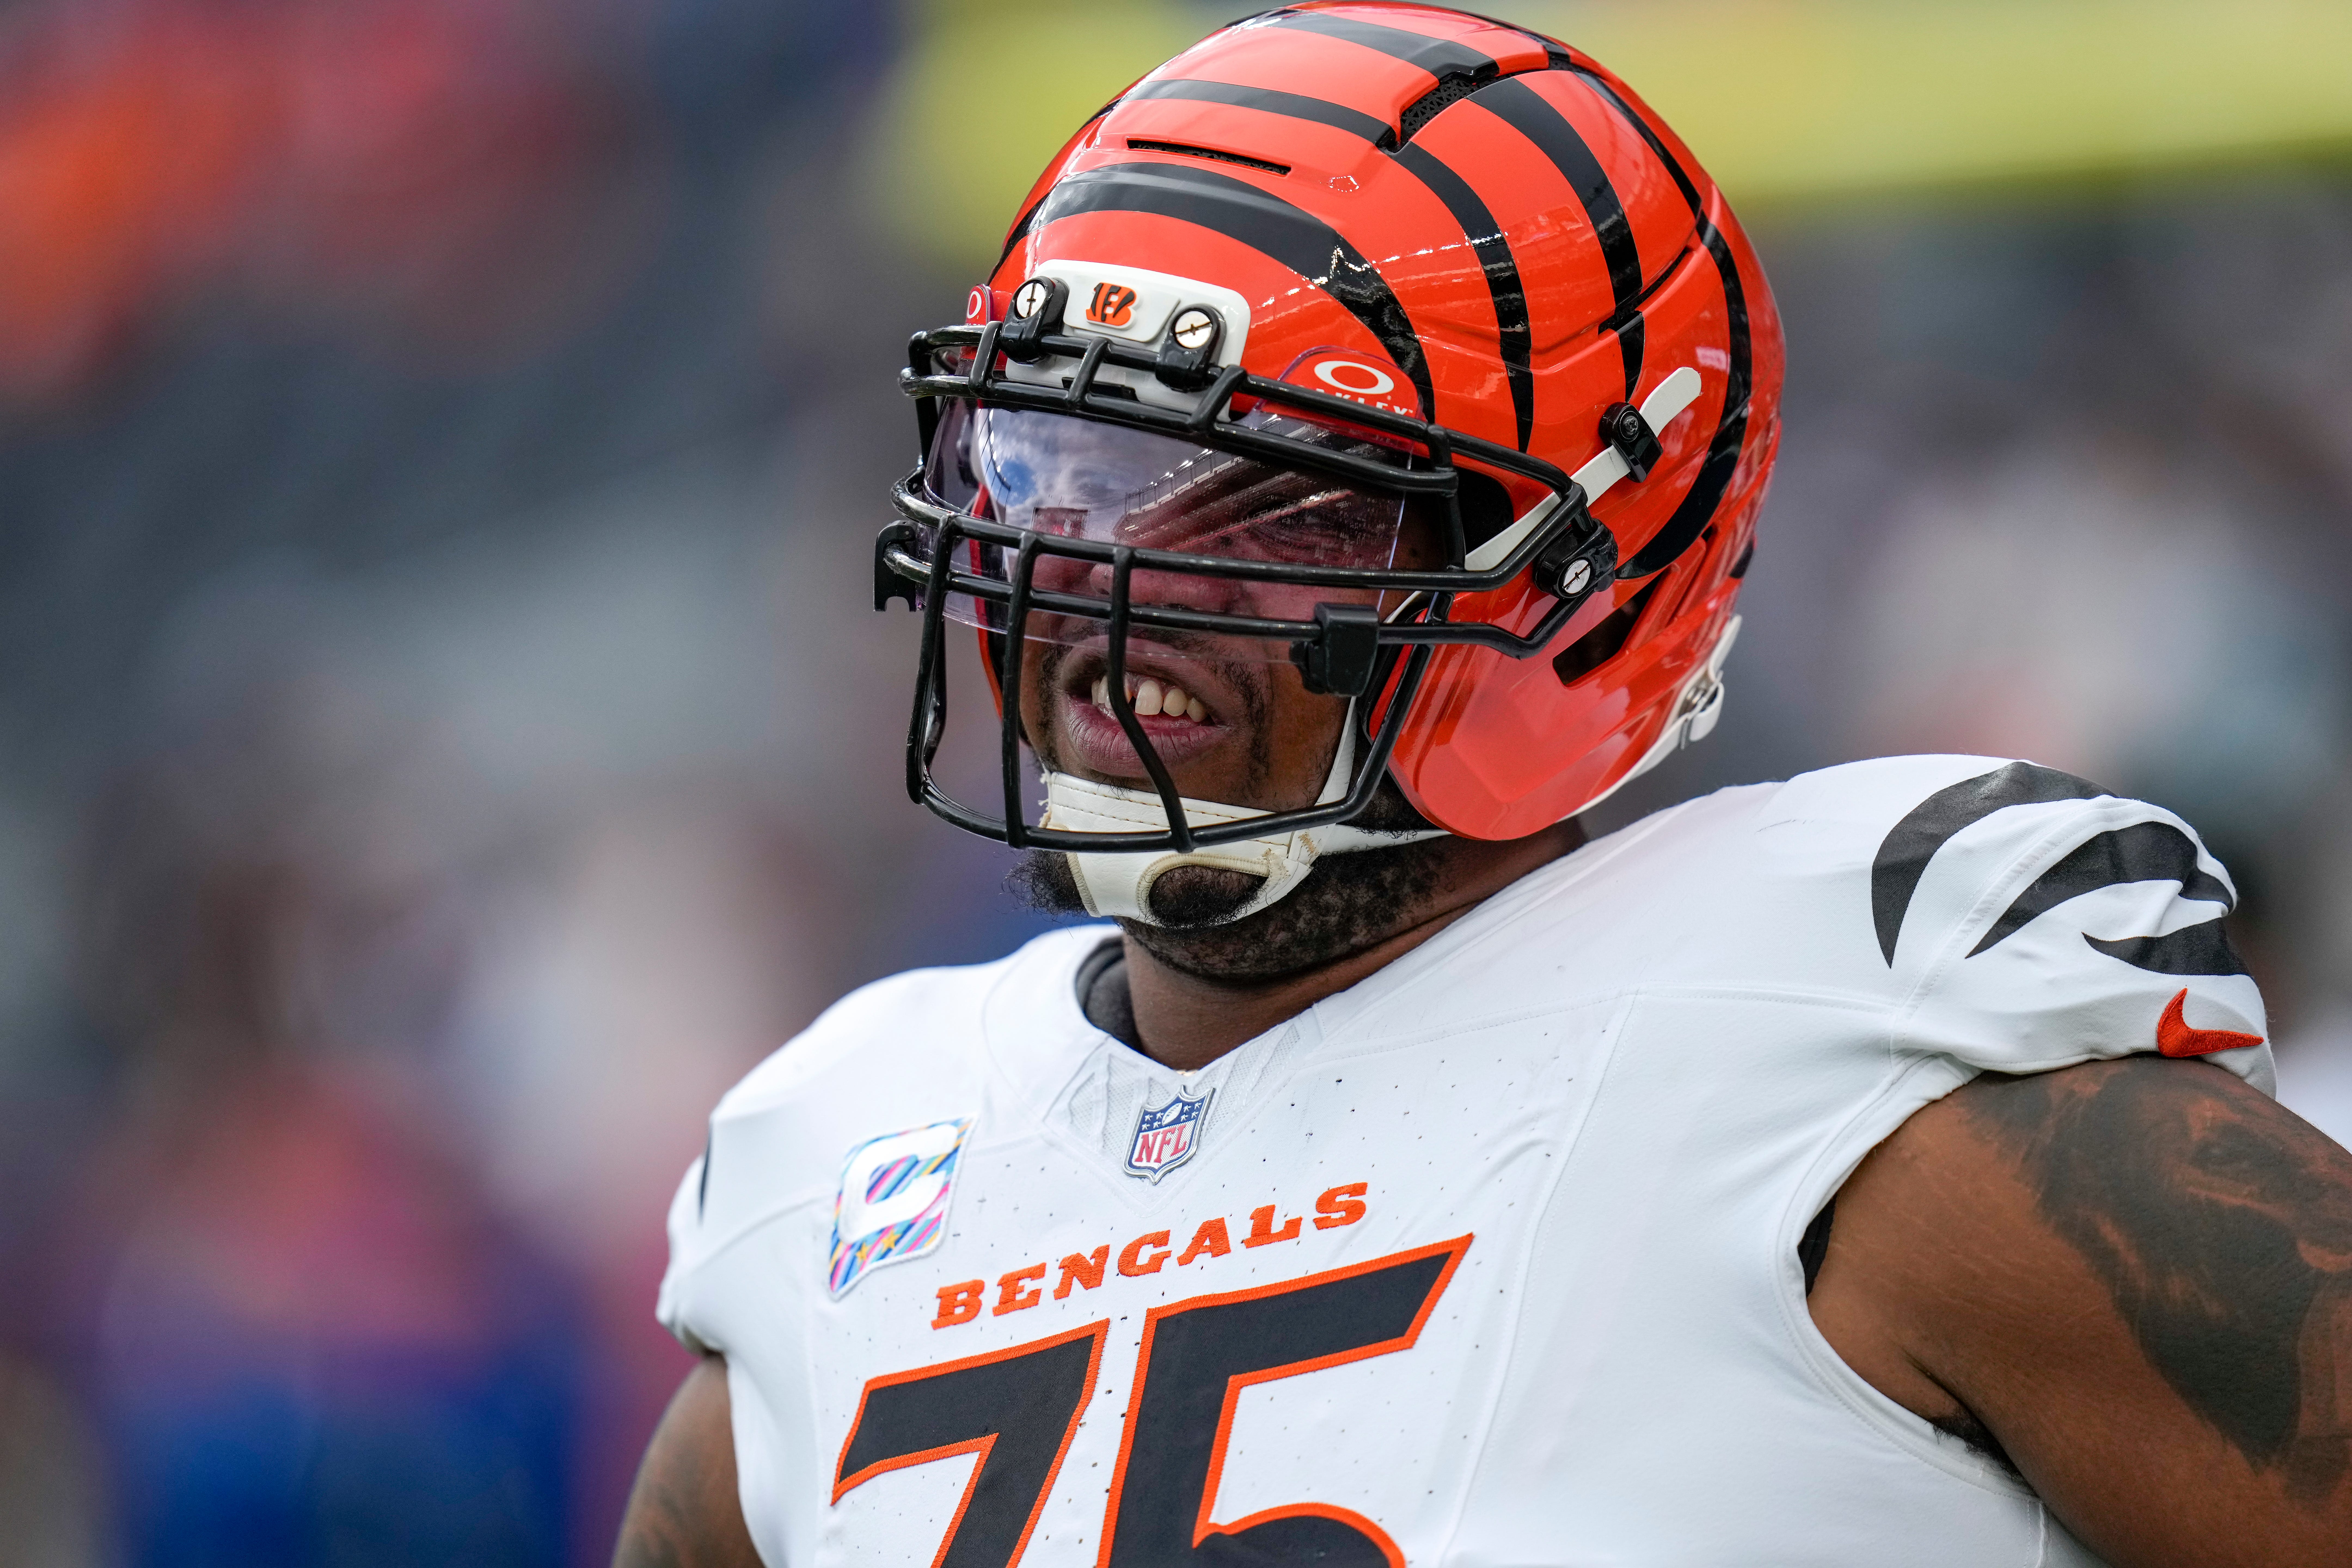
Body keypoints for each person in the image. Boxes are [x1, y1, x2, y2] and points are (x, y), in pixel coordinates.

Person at [615, 6, 2352, 1564]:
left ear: (1586, 582)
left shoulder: (1868, 1094)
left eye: (1282, 511)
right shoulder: (836, 1172)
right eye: (1065, 461)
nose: (1111, 576)